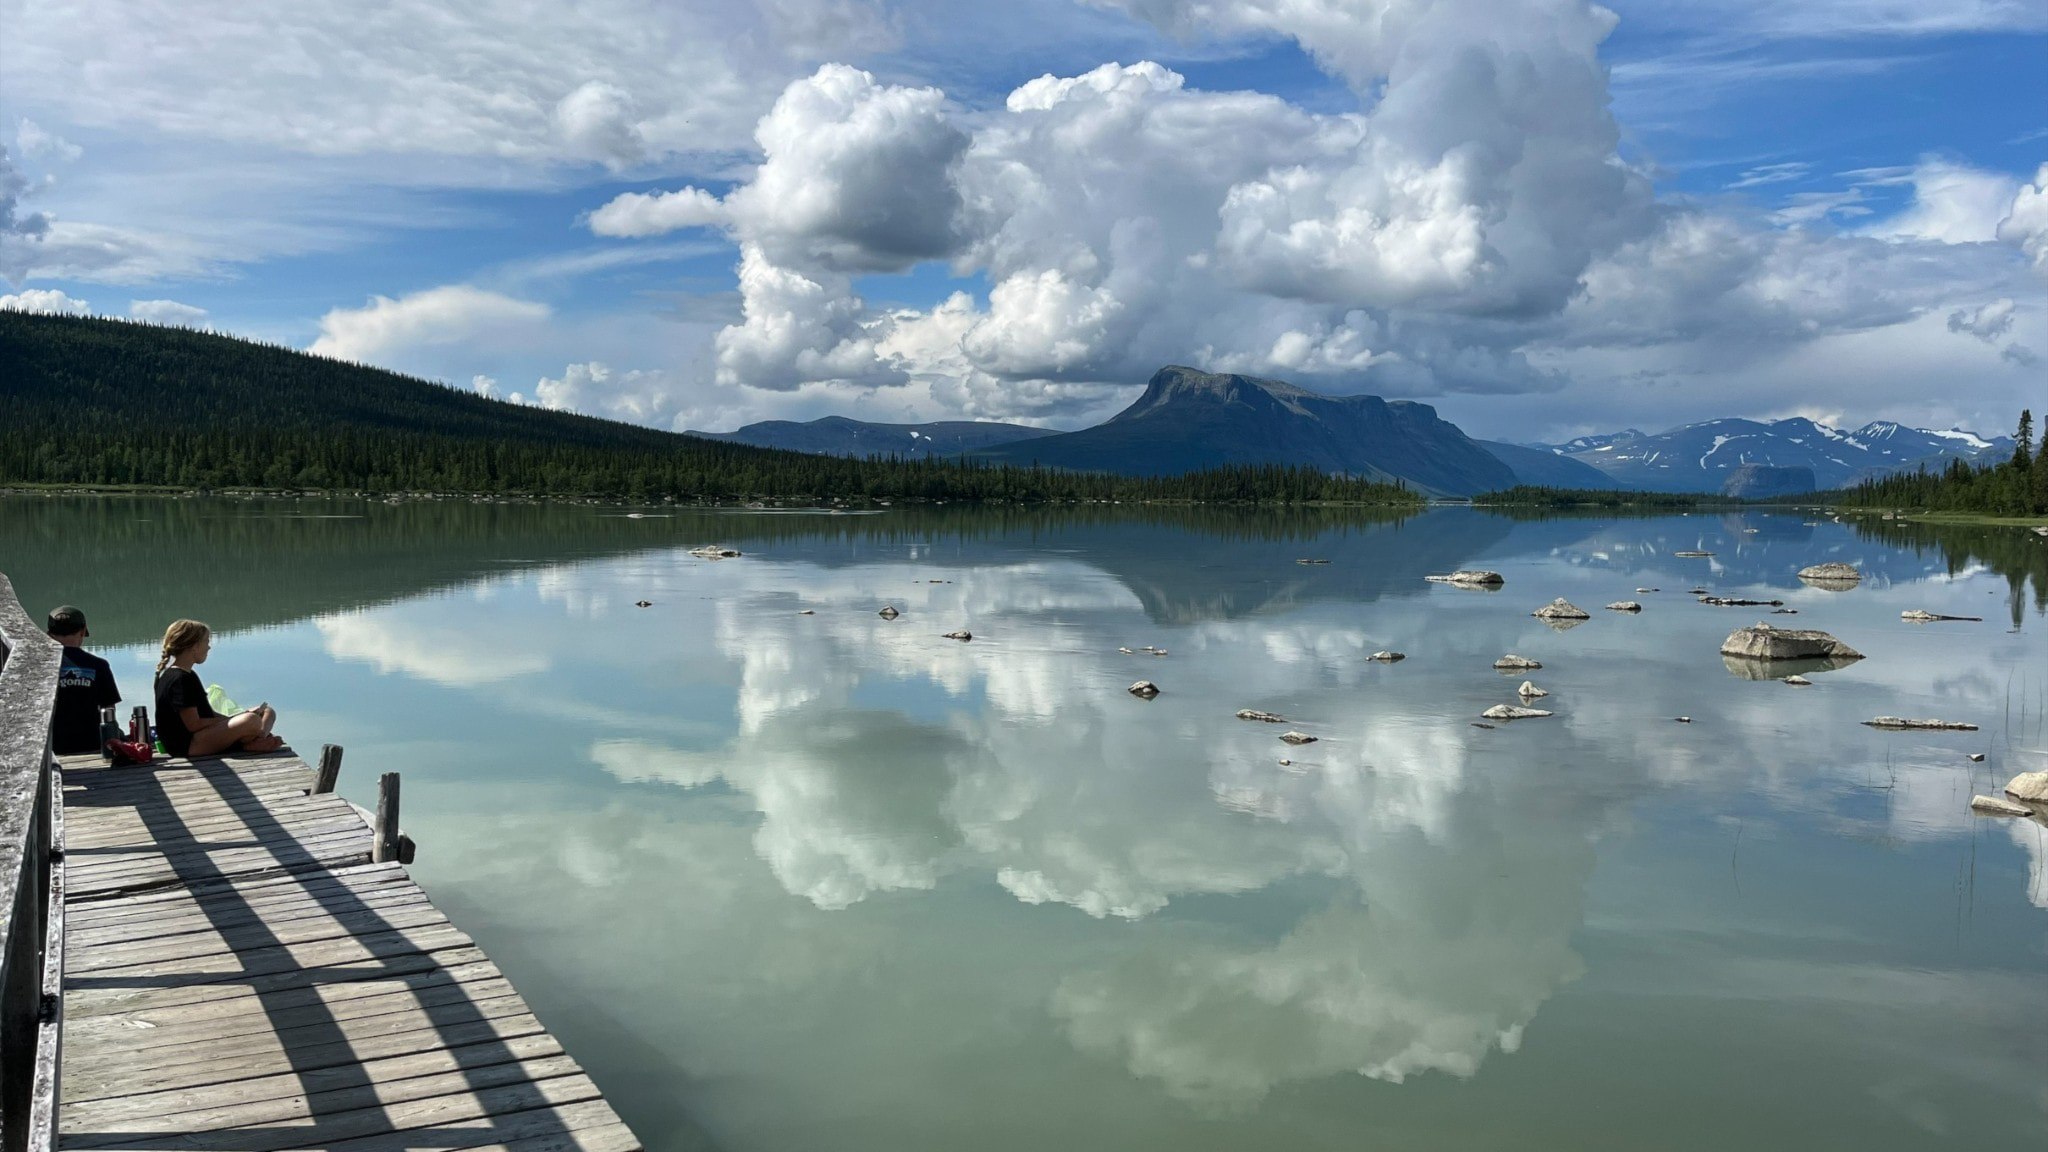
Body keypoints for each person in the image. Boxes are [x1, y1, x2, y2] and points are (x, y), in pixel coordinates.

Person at [153, 619, 284, 757]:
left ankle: (257, 739)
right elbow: (194, 724)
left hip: (201, 737)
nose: (209, 647)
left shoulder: (186, 674)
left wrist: (235, 717)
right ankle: (254, 741)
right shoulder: (180, 679)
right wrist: (234, 720)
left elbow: (207, 714)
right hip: (188, 745)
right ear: (194, 646)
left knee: (267, 712)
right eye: (206, 642)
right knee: (251, 720)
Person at [47, 606, 122, 756]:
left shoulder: (38, 667)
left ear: (49, 634)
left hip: (52, 750)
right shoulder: (99, 665)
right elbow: (109, 710)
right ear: (83, 631)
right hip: (92, 746)